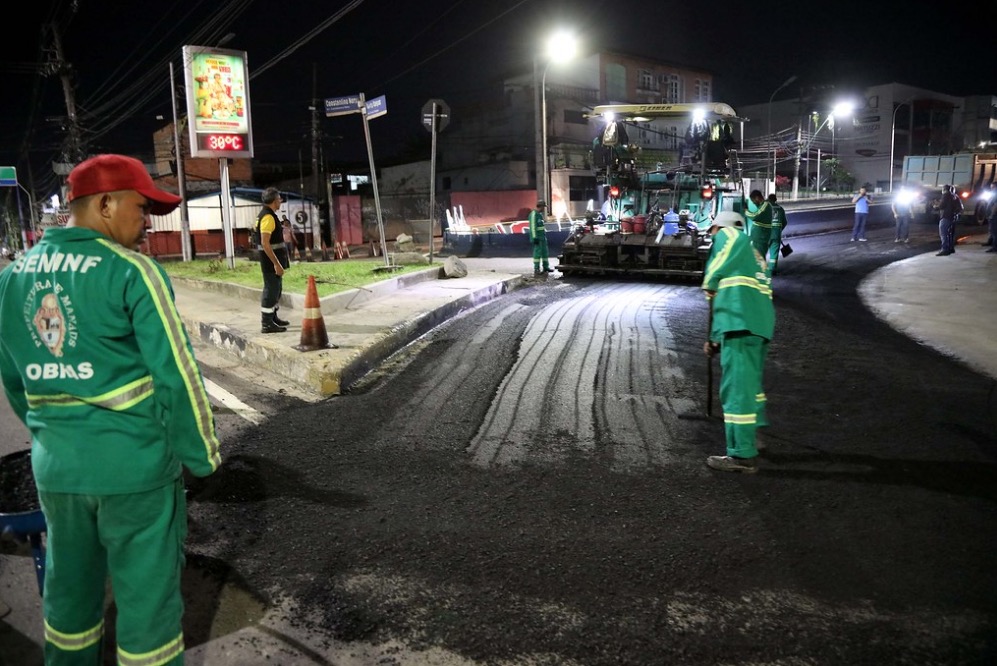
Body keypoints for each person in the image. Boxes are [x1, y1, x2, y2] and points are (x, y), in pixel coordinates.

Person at [0, 154, 222, 664]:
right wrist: (202, 453)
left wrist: (50, 436)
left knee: (69, 605)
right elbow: (176, 373)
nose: (146, 224)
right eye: (141, 209)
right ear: (104, 204)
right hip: (135, 474)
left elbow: (14, 380)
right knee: (148, 616)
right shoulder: (132, 272)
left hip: (58, 474)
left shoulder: (13, 279)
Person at [701, 211, 775, 474]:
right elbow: (737, 294)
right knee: (750, 386)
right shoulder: (755, 259)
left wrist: (709, 279)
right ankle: (754, 434)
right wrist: (715, 339)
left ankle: (742, 455)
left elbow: (731, 239)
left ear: (719, 227)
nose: (712, 237)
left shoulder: (730, 236)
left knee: (736, 391)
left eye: (712, 231)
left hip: (740, 324)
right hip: (756, 326)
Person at [254, 187, 291, 332]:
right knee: (271, 291)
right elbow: (265, 242)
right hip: (271, 262)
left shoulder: (269, 215)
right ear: (275, 201)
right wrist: (276, 264)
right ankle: (267, 323)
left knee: (276, 290)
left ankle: (273, 318)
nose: (281, 201)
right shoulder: (267, 217)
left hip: (275, 260)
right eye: (279, 198)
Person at [934, 184, 961, 256]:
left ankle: (945, 249)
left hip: (946, 217)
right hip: (953, 218)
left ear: (944, 189)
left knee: (943, 234)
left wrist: (936, 206)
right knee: (951, 234)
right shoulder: (955, 196)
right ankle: (951, 248)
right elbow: (960, 208)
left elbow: (941, 205)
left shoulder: (946, 195)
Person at [744, 189, 772, 258]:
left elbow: (755, 216)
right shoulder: (763, 205)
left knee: (759, 258)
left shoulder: (765, 205)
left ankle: (762, 269)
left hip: (761, 238)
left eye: (753, 201)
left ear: (757, 197)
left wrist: (746, 211)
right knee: (757, 258)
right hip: (759, 237)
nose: (754, 203)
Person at [529, 199, 552, 275]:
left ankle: (546, 267)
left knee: (545, 252)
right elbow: (533, 227)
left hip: (542, 238)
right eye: (543, 207)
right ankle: (536, 269)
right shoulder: (533, 214)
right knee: (537, 253)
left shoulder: (539, 215)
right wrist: (535, 238)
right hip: (537, 238)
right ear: (541, 206)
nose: (544, 209)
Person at [765, 193, 786, 277]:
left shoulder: (765, 208)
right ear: (775, 200)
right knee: (774, 253)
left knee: (761, 252)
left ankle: (760, 270)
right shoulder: (780, 209)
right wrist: (778, 230)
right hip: (776, 234)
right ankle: (772, 270)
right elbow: (784, 222)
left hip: (766, 233)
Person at [986, 183, 997, 253]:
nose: (991, 188)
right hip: (992, 215)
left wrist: (992, 214)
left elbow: (996, 205)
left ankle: (995, 247)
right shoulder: (993, 193)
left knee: (994, 232)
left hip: (994, 216)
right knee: (992, 231)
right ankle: (991, 243)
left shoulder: (996, 194)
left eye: (992, 187)